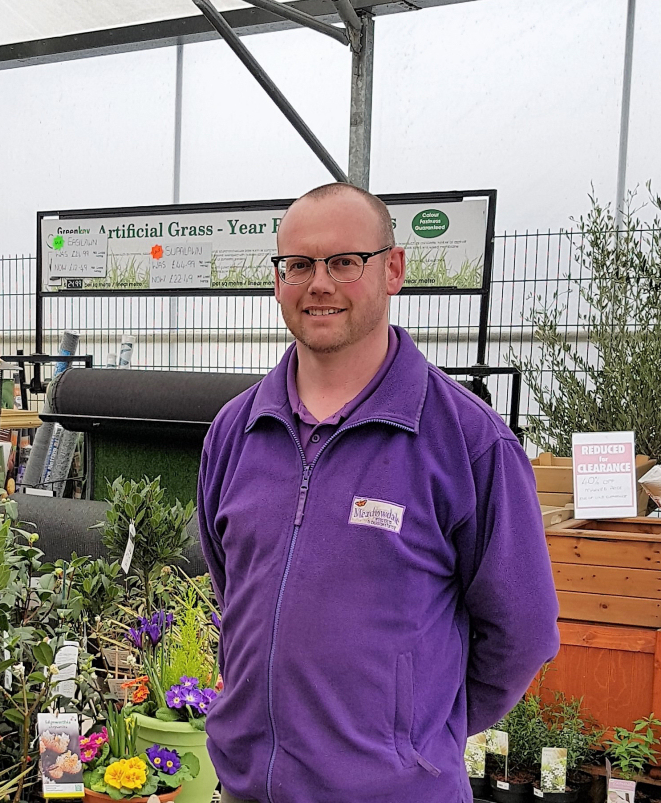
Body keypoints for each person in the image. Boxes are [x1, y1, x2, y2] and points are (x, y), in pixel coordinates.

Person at [197, 183, 559, 802]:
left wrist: (413, 740)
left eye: (344, 262)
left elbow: (521, 631)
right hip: (245, 790)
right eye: (298, 265)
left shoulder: (467, 441)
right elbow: (232, 589)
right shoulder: (236, 431)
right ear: (278, 279)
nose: (318, 284)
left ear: (392, 269)